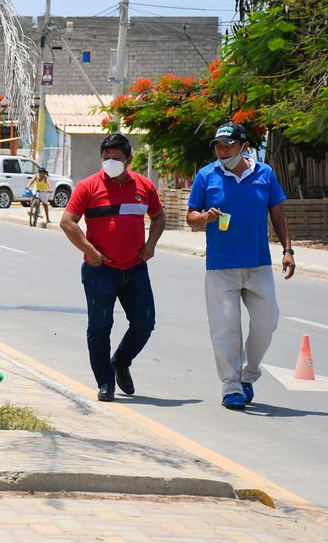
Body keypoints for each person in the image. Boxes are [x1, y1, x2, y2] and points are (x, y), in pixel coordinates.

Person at [186, 122, 295, 411]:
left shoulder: (265, 174)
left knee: (267, 321)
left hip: (258, 264)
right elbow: (190, 217)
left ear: (244, 146)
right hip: (221, 267)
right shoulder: (206, 175)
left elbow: (277, 213)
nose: (223, 151)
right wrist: (205, 217)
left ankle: (249, 374)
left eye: (228, 145)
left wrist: (287, 250)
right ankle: (231, 386)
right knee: (225, 328)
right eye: (218, 146)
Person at [60, 133, 166, 402]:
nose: (110, 163)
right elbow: (67, 222)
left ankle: (120, 361)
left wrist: (151, 244)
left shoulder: (144, 186)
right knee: (100, 327)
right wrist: (91, 252)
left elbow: (158, 216)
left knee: (144, 323)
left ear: (129, 159)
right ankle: (105, 382)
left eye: (116, 158)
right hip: (100, 271)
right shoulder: (88, 186)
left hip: (135, 268)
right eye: (105, 158)